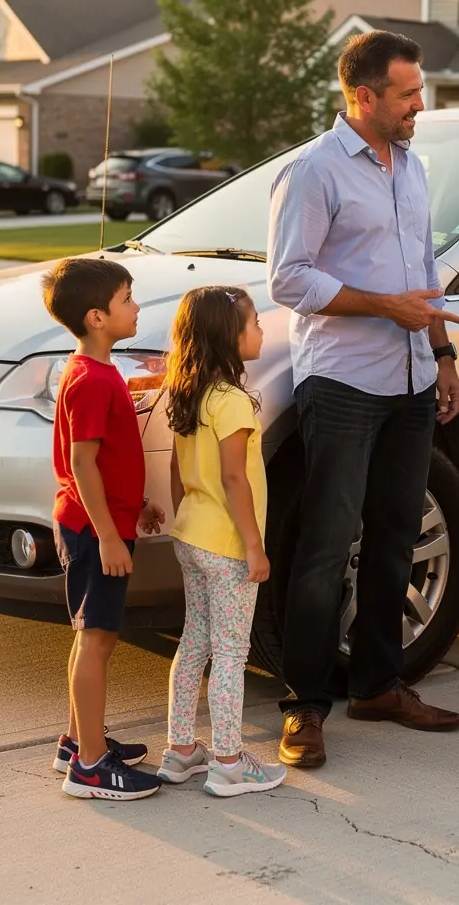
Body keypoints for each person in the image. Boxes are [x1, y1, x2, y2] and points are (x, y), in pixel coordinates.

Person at [266, 30, 459, 769]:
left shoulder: (410, 166)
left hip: (413, 380)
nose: (421, 105)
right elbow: (289, 280)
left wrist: (443, 356)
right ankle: (305, 706)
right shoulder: (313, 172)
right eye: (409, 94)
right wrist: (386, 308)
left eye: (420, 92)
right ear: (364, 97)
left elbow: (422, 266)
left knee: (395, 537)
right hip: (345, 382)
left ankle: (380, 684)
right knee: (324, 548)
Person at [41, 258, 167, 800]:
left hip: (97, 522)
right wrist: (110, 535)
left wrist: (133, 505)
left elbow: (108, 460)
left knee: (94, 635)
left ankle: (77, 741)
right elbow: (83, 462)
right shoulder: (92, 380)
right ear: (97, 316)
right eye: (127, 298)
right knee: (96, 639)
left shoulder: (96, 370)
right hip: (94, 532)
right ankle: (90, 769)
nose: (136, 307)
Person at [157, 286, 287, 797]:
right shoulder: (231, 403)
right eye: (254, 323)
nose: (260, 331)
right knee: (231, 652)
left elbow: (174, 468)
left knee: (195, 641)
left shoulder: (188, 394)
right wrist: (254, 547)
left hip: (190, 537)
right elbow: (237, 481)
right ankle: (230, 762)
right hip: (228, 546)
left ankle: (181, 749)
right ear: (228, 337)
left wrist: (183, 515)